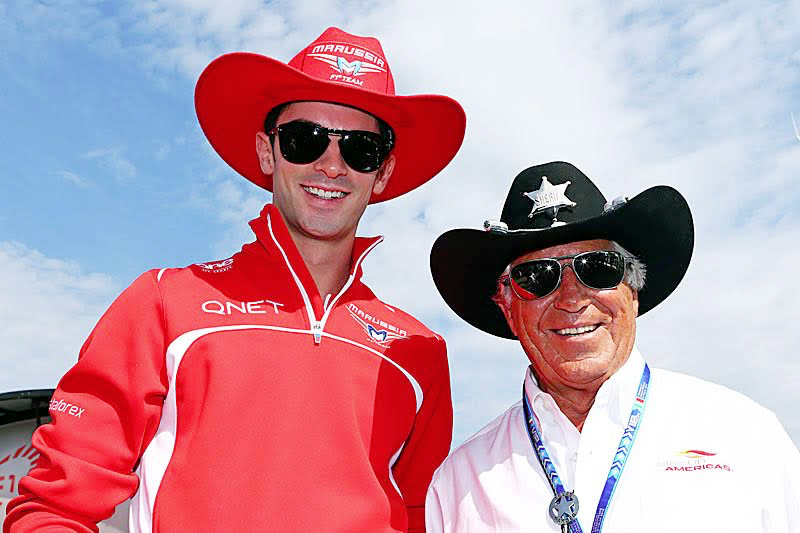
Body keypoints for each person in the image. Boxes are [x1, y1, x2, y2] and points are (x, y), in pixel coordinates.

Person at [4, 27, 465, 532]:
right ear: (268, 153)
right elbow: (54, 510)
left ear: (382, 173)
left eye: (360, 149)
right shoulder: (163, 301)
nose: (331, 165)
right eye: (304, 140)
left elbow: (425, 517)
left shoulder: (418, 351)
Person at [425, 161, 800, 532]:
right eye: (537, 276)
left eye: (598, 267)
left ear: (633, 289)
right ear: (507, 307)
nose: (571, 299)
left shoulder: (747, 436)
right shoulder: (457, 486)